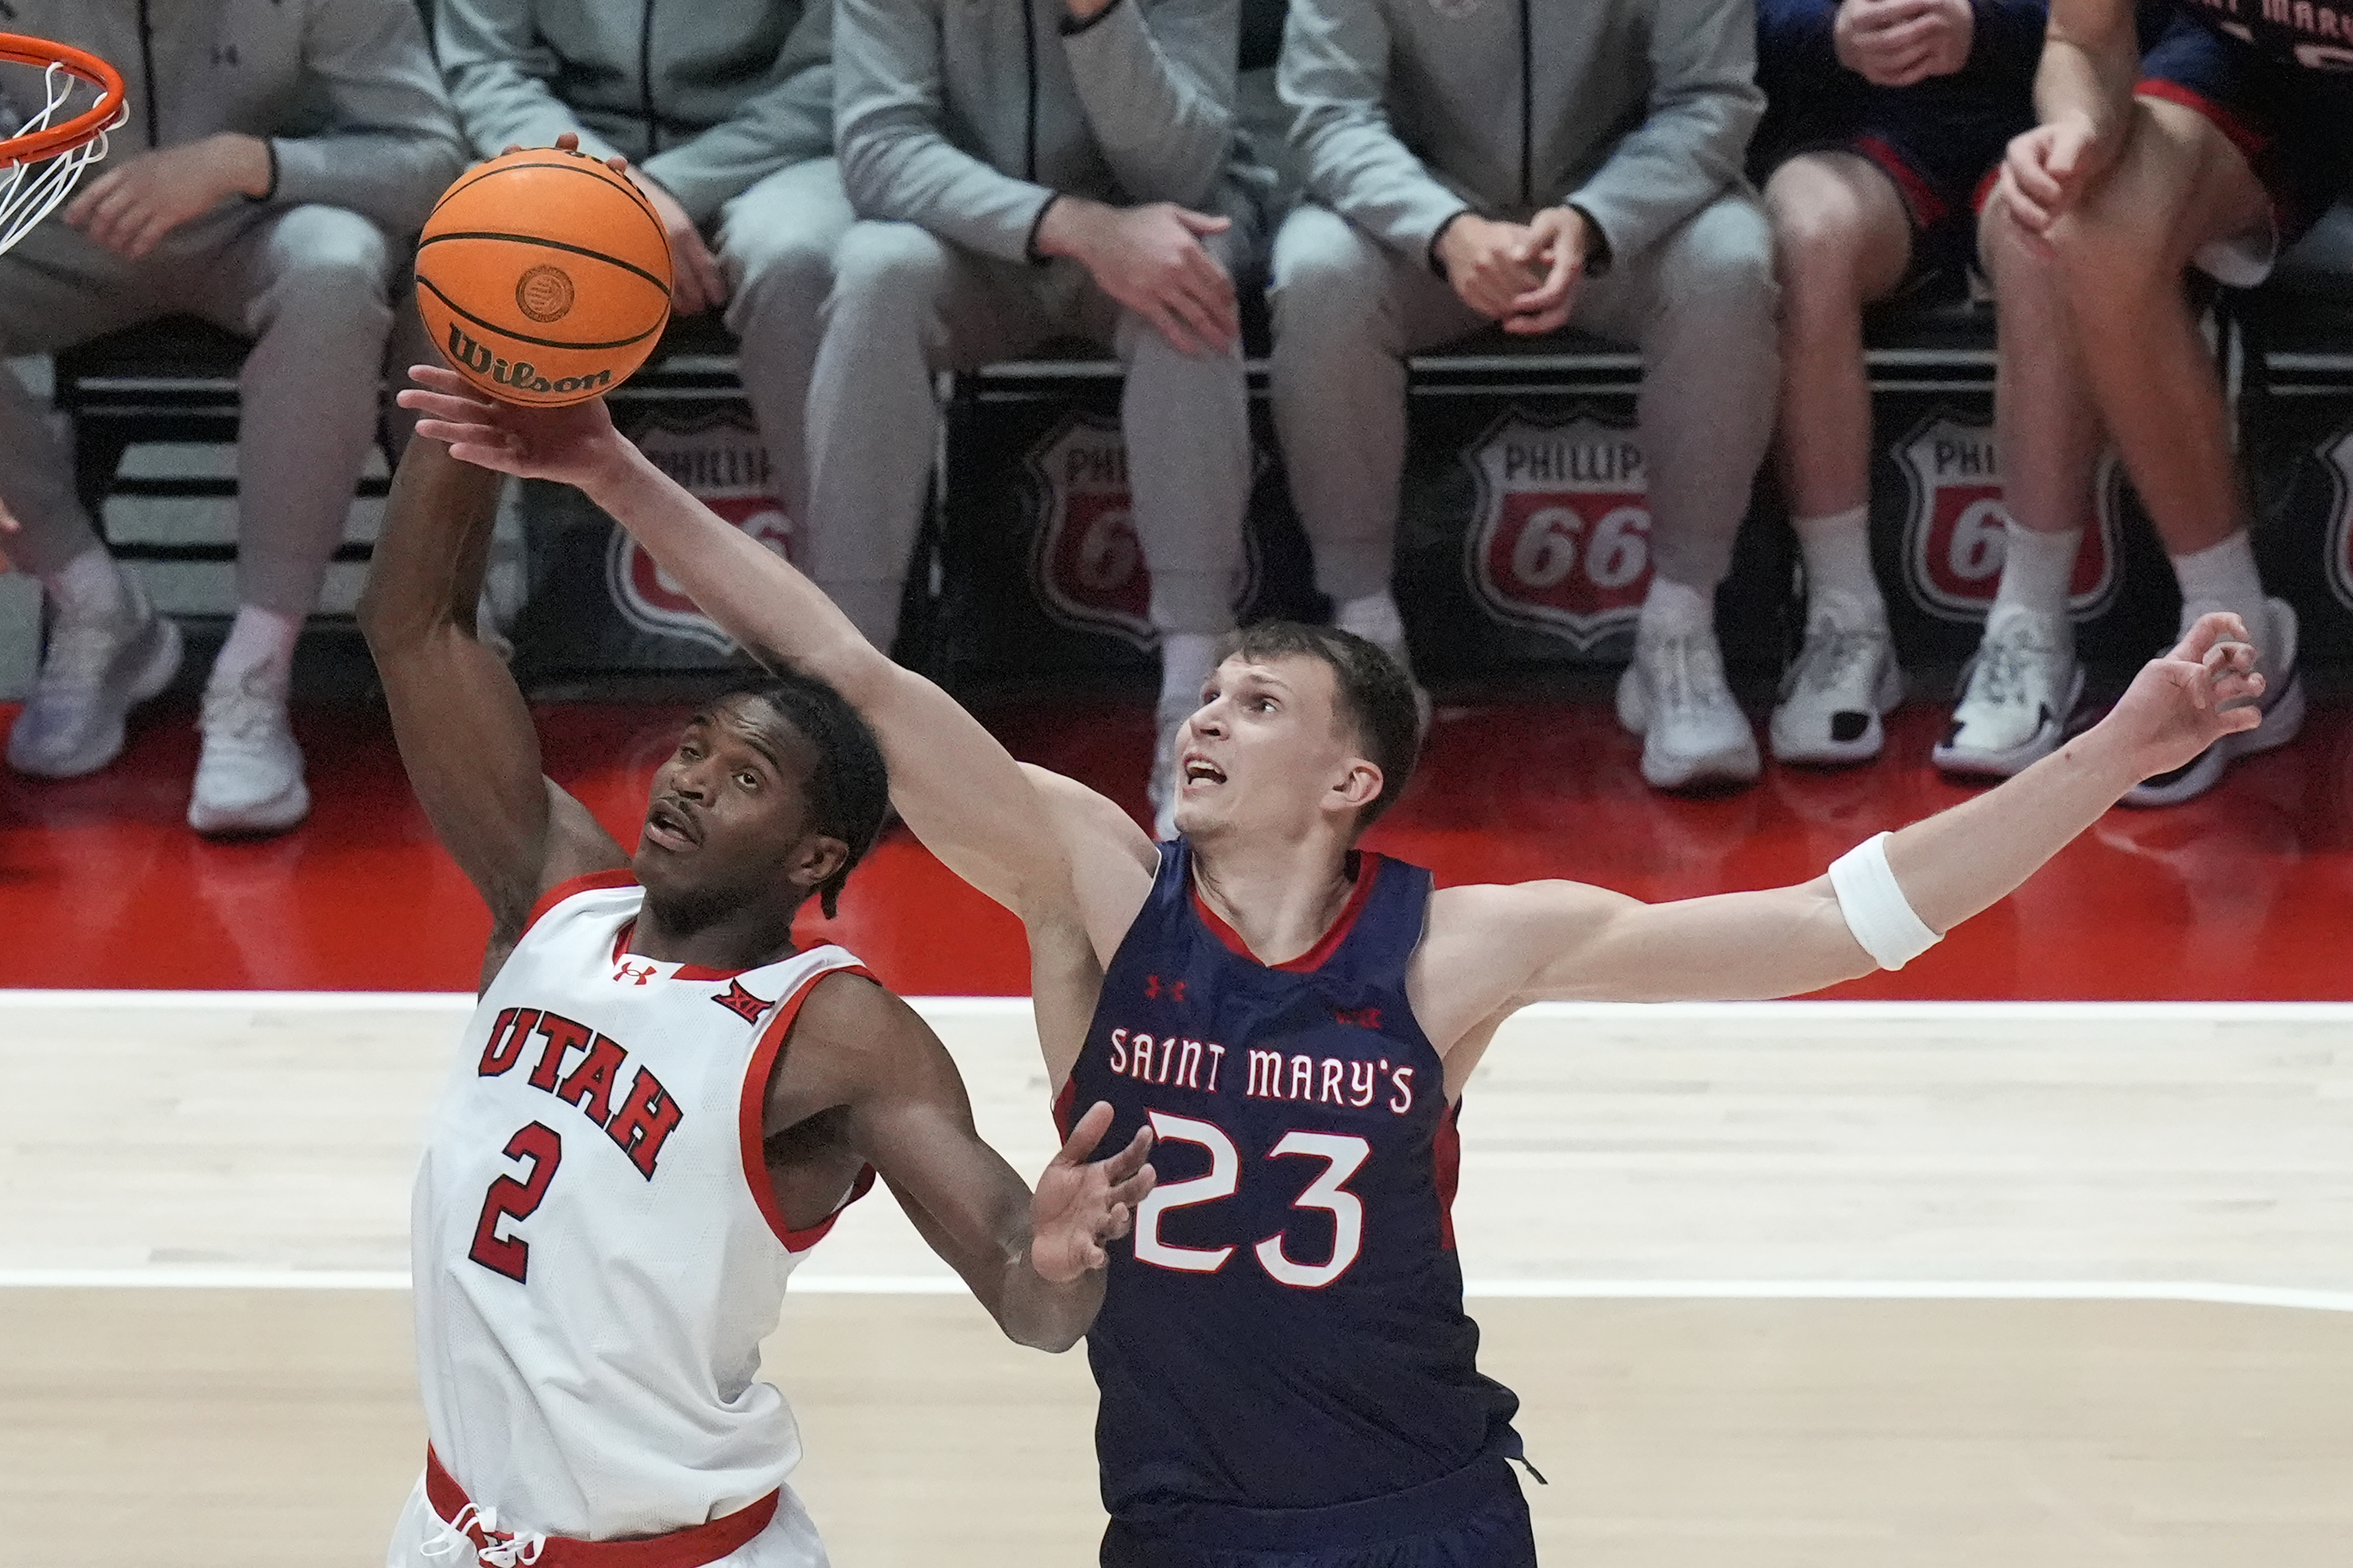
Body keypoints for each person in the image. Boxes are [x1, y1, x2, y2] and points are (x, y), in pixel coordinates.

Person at [396, 359, 2271, 1567]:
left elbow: (1844, 921)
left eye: (1256, 699)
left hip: (1417, 1513)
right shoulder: (1096, 890)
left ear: (1349, 772)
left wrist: (2108, 748)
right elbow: (860, 678)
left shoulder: (1458, 949)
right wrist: (617, 469)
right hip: (1181, 1515)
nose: (1204, 715)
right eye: (1205, 691)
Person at [364, 425, 1155, 1567]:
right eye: (695, 747)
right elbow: (416, 629)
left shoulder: (839, 1031)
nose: (690, 778)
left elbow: (1022, 1290)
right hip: (453, 1530)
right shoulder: (551, 891)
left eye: (746, 779)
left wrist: (1064, 1249)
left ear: (812, 857)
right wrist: (479, 400)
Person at [1268, 0, 1779, 792]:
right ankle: (1367, 639)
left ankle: (1681, 627)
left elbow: (1711, 100)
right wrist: (1443, 228)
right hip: (1424, 221)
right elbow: (1330, 112)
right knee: (1318, 274)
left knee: (1728, 263)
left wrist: (1596, 219)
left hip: (1614, 217)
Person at [0, 0, 464, 834]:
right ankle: (93, 601)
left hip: (257, 225)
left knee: (337, 262)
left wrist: (245, 161)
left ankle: (256, 666)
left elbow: (432, 160)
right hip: (64, 223)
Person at [815, 0, 1273, 833]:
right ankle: (852, 696)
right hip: (975, 234)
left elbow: (1185, 172)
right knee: (874, 270)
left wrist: (1097, 15)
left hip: (1151, 225)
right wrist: (1070, 226)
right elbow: (879, 152)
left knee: (1191, 276)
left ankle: (1196, 693)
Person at [1963, 0, 2332, 799]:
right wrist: (2080, 130)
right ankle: (2235, 634)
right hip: (2251, 71)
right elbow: (2081, 37)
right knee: (2085, 215)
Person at [1753, 0, 2049, 765]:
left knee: (2050, 233)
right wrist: (1833, 32)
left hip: (2048, 116)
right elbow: (1715, 25)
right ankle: (1844, 617)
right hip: (1857, 131)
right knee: (1804, 234)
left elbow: (2160, 24)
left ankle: (2034, 621)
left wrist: (1987, 25)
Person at [434, 0, 848, 531]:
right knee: (462, 248)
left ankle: (838, 587)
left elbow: (833, 74)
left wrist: (674, 187)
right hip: (569, 151)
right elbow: (487, 68)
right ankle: (471, 583)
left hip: (766, 155)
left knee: (796, 255)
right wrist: (611, 190)